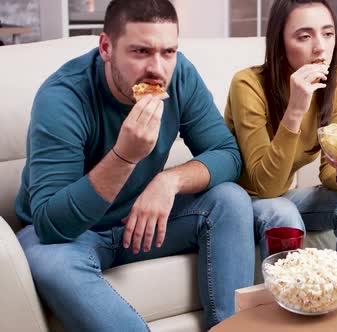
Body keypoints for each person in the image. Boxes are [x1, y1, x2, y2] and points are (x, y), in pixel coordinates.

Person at [15, 0, 254, 330]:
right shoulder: (63, 97)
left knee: (230, 200)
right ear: (106, 47)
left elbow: (228, 154)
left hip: (140, 222)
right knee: (50, 261)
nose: (157, 68)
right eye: (141, 51)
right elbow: (50, 225)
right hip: (72, 236)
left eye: (168, 52)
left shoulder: (180, 75)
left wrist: (168, 182)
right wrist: (124, 157)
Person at [224, 0, 337, 260]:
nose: (320, 47)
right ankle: (291, 299)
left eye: (328, 34)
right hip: (238, 204)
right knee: (283, 213)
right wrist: (295, 109)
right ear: (280, 42)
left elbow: (329, 170)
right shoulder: (247, 85)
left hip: (283, 198)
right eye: (304, 36)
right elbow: (266, 187)